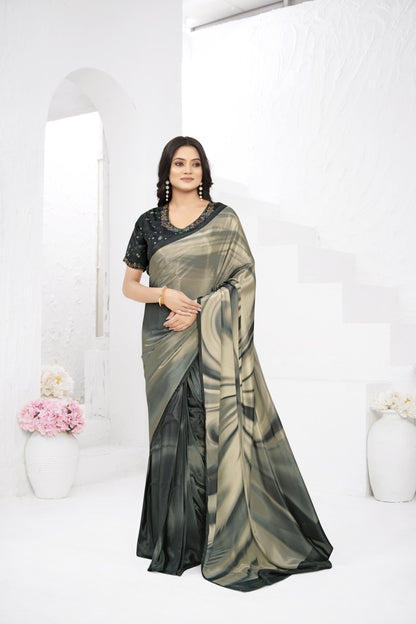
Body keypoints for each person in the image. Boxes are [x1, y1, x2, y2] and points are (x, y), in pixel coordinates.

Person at [122, 136, 333, 592]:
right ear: (166, 171)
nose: (187, 170)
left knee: (207, 427)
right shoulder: (147, 223)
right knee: (171, 434)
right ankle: (175, 541)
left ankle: (214, 539)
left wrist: (197, 310)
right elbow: (130, 286)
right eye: (179, 163)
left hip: (207, 340)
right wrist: (164, 295)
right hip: (162, 340)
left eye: (195, 164)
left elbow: (243, 278)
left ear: (204, 171)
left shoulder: (224, 218)